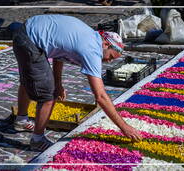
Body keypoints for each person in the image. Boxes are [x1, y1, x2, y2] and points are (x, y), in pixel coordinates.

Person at [13, 14, 142, 152]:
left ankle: (21, 120)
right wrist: (124, 127)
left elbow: (59, 52)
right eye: (110, 56)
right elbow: (101, 96)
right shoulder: (92, 50)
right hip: (30, 40)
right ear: (105, 44)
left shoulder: (91, 35)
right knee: (48, 95)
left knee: (29, 78)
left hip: (26, 29)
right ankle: (37, 140)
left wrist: (58, 83)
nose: (108, 61)